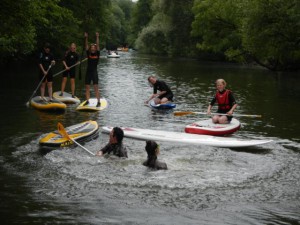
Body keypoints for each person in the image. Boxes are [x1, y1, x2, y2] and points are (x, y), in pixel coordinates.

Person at [84, 32, 101, 107]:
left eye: (94, 47)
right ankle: (87, 101)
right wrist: (86, 38)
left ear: (95, 48)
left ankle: (98, 102)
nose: (93, 48)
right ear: (91, 49)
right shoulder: (88, 53)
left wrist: (97, 37)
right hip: (88, 72)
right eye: (92, 48)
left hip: (94, 72)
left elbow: (98, 45)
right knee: (87, 87)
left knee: (96, 87)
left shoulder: (97, 53)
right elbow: (86, 46)